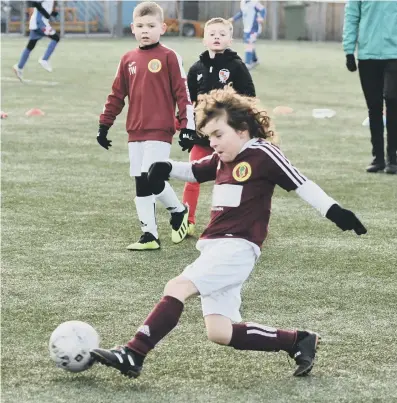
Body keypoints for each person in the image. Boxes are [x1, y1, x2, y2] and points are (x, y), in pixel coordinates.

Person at [90, 86, 367, 379]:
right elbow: (197, 170)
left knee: (177, 287)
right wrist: (166, 167)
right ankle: (297, 340)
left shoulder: (262, 153)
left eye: (219, 135)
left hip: (237, 247)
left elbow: (301, 183)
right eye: (209, 137)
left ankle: (134, 352)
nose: (213, 143)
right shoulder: (223, 158)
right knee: (220, 332)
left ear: (243, 130)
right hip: (216, 247)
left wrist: (335, 212)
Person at [97, 1, 195, 250]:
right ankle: (150, 235)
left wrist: (187, 126)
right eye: (140, 26)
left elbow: (183, 93)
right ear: (132, 28)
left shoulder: (170, 56)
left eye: (151, 26)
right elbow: (117, 95)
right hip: (135, 130)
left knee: (151, 177)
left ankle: (177, 211)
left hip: (161, 129)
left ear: (163, 27)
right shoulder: (128, 58)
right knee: (141, 182)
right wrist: (104, 125)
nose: (145, 30)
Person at [179, 17, 256, 236]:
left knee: (233, 180)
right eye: (212, 34)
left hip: (228, 137)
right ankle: (187, 220)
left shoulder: (237, 66)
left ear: (230, 39)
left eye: (222, 34)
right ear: (204, 39)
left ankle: (238, 223)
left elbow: (250, 96)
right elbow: (188, 101)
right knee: (192, 178)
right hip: (202, 137)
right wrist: (186, 128)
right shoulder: (196, 69)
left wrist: (241, 126)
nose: (217, 37)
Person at [343, 0, 397, 174]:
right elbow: (351, 17)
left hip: (394, 55)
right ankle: (378, 159)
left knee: (392, 100)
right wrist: (349, 50)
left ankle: (393, 158)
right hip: (368, 56)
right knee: (374, 107)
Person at [13, 1, 60, 81]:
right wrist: (46, 14)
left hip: (37, 23)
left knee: (31, 45)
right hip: (40, 23)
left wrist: (52, 13)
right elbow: (35, 3)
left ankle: (19, 67)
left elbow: (45, 7)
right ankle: (44, 59)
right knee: (56, 37)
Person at [229, 0, 266, 70]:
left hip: (254, 28)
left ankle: (247, 63)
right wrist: (233, 19)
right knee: (250, 44)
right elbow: (242, 12)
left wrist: (261, 17)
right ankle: (255, 60)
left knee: (248, 43)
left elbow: (262, 9)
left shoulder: (254, 2)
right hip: (247, 28)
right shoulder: (242, 2)